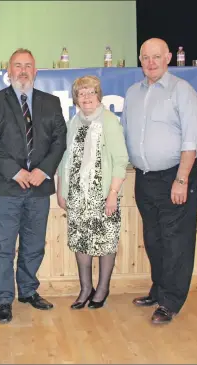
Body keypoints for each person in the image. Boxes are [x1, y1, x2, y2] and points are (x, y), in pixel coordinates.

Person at [0, 48, 67, 324]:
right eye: (17, 65)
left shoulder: (51, 103)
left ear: (36, 70)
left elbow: (59, 140)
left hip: (39, 187)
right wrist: (15, 171)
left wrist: (43, 171)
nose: (23, 70)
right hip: (6, 187)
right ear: (8, 71)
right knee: (3, 247)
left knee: (33, 245)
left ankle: (28, 291)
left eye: (28, 65)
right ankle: (4, 299)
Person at [121, 38, 197, 324]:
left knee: (175, 242)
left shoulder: (182, 91)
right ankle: (159, 290)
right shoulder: (132, 93)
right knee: (154, 239)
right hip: (145, 178)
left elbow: (191, 140)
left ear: (168, 57)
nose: (151, 62)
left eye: (157, 56)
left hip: (175, 176)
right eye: (146, 57)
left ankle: (171, 301)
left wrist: (181, 179)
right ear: (140, 60)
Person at [57, 76, 129, 310]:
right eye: (81, 93)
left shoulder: (109, 121)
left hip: (103, 196)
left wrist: (113, 194)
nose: (86, 97)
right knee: (81, 243)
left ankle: (102, 288)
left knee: (105, 243)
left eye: (91, 92)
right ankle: (85, 288)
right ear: (75, 99)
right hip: (77, 196)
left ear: (99, 95)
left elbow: (120, 160)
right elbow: (65, 159)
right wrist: (61, 190)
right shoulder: (73, 123)